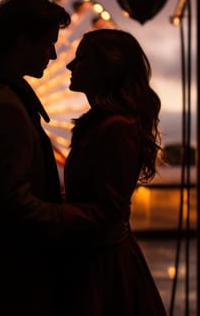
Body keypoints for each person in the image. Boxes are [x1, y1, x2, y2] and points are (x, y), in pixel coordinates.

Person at [0, 0, 116, 316]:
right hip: (11, 288)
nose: (53, 55)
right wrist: (84, 215)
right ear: (23, 40)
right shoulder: (3, 107)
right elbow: (13, 207)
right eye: (47, 43)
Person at [63, 29, 167, 315]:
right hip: (100, 261)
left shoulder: (116, 128)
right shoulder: (108, 126)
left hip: (102, 269)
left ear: (104, 68)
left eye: (81, 58)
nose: (70, 65)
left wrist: (42, 211)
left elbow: (106, 210)